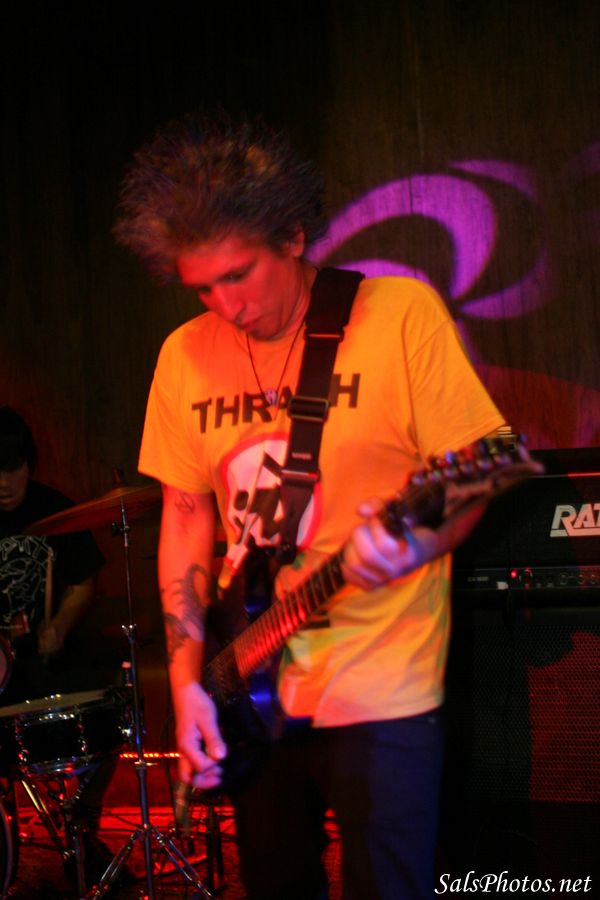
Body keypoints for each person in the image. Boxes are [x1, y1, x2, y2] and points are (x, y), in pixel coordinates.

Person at [115, 112, 507, 899]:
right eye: (202, 287)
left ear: (293, 236)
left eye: (239, 275)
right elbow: (186, 518)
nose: (226, 305)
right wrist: (187, 681)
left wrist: (421, 544)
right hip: (249, 681)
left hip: (385, 681)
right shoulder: (183, 355)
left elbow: (478, 470)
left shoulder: (396, 314)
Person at [0, 407, 124, 889]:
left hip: (48, 659)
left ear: (29, 464)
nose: (4, 482)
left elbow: (83, 584)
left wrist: (59, 625)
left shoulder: (54, 509)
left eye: (13, 468)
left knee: (111, 709)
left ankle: (84, 824)